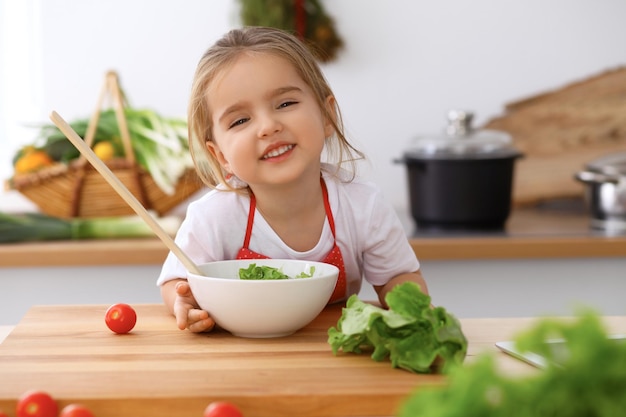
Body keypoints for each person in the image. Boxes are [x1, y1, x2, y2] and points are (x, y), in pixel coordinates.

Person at [157, 26, 429, 333]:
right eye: (240, 120)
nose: (268, 126)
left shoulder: (363, 205)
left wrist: (412, 306)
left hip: (334, 355)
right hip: (245, 358)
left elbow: (398, 279)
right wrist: (184, 303)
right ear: (220, 155)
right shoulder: (213, 217)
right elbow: (177, 282)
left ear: (327, 117)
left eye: (285, 104)